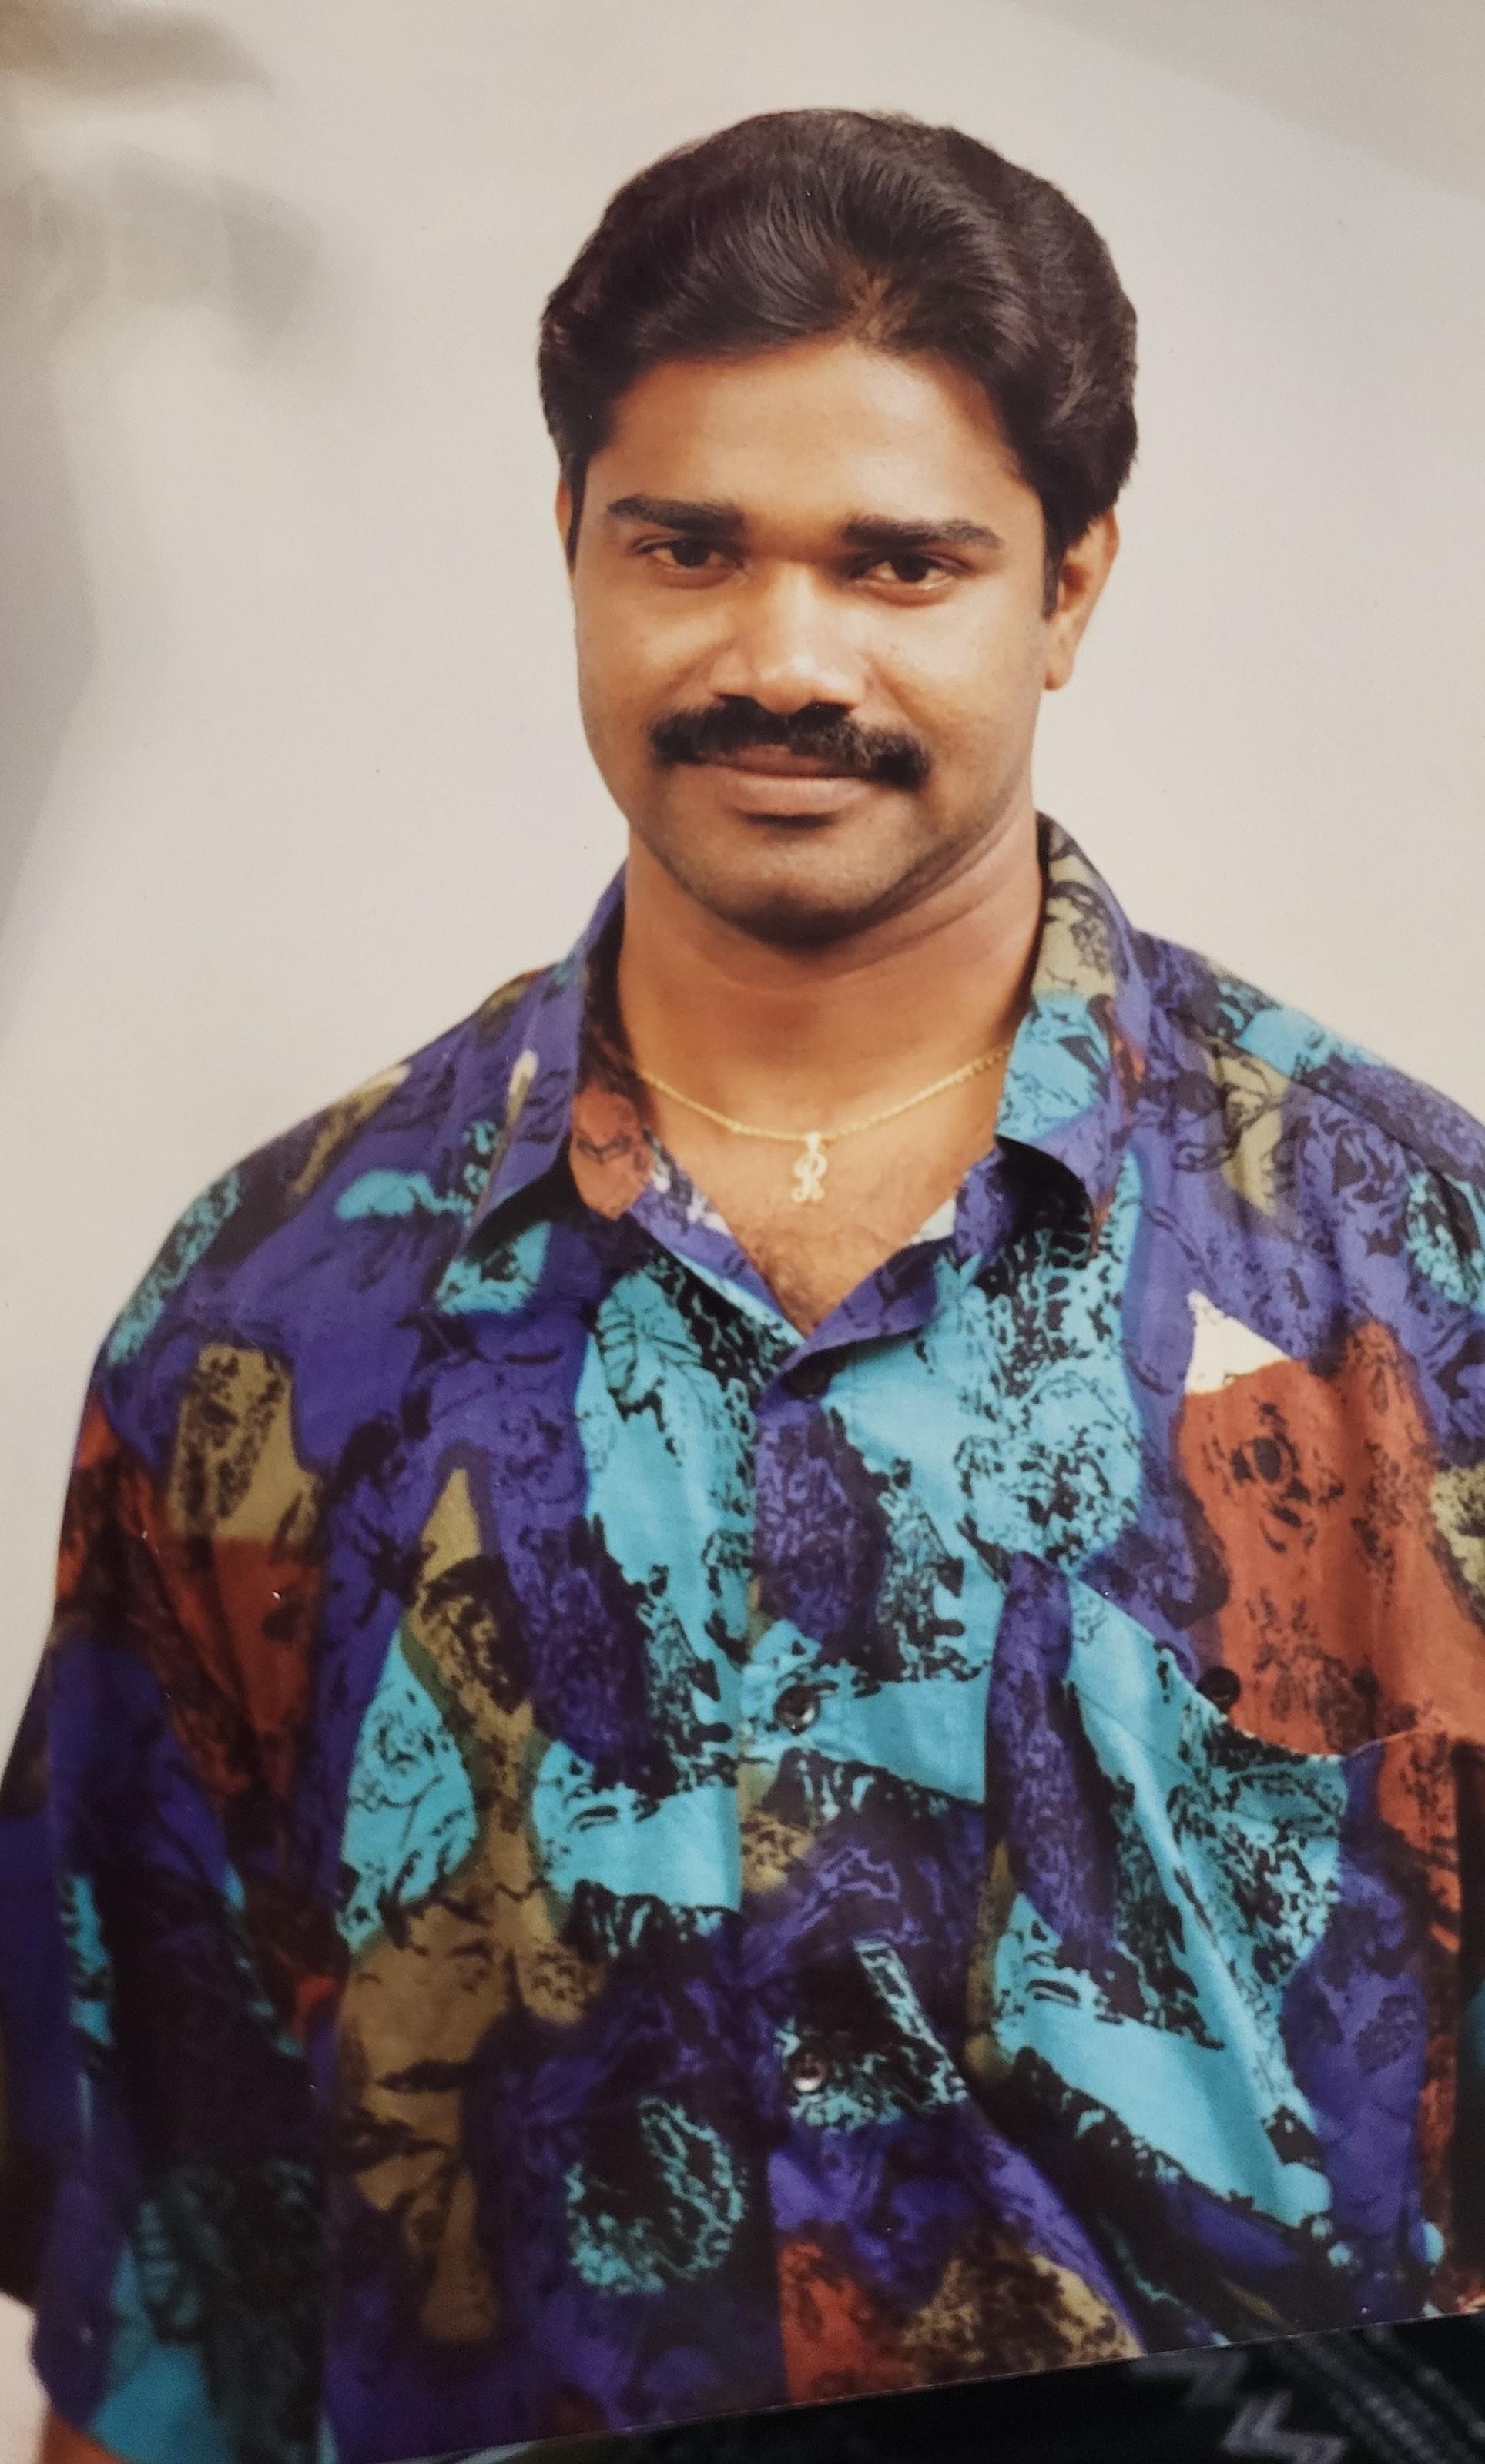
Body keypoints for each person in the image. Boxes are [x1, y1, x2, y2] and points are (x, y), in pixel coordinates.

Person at [4, 102, 1485, 2464]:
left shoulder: (1414, 1281)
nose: (781, 656)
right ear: (572, 545)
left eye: (902, 567)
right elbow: (171, 2299)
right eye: (689, 547)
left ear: (1072, 588)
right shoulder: (272, 1329)